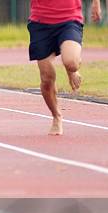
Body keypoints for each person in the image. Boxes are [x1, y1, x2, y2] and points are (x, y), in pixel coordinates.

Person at [28, 0, 103, 135]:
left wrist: (96, 3)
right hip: (40, 22)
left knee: (72, 62)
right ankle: (57, 116)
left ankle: (70, 69)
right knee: (46, 79)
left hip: (69, 18)